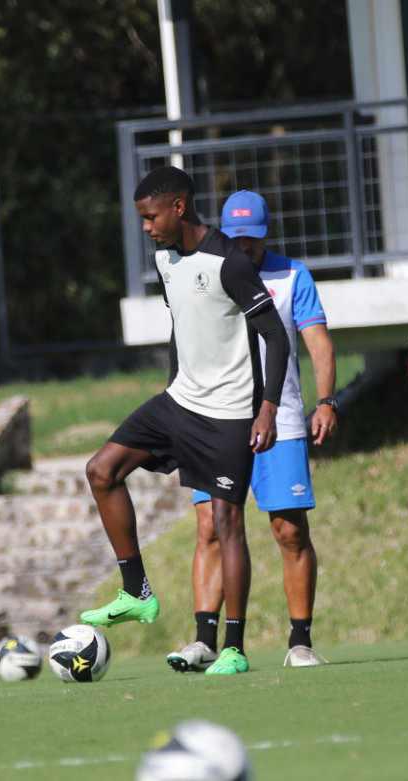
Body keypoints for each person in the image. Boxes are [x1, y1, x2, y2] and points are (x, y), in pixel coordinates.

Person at [79, 166, 289, 676]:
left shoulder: (230, 262)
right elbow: (181, 327)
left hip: (229, 415)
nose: (147, 228)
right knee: (101, 471)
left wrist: (266, 409)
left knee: (226, 524)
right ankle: (137, 592)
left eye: (151, 217)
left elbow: (277, 338)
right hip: (180, 403)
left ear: (178, 206)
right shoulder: (165, 259)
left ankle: (234, 649)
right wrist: (175, 387)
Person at [166, 190, 338, 673]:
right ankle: (204, 640)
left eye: (254, 240)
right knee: (210, 529)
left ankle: (300, 641)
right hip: (212, 420)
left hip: (279, 421)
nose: (246, 248)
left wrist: (325, 401)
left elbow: (319, 343)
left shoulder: (291, 276)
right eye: (237, 239)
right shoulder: (201, 270)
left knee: (288, 530)